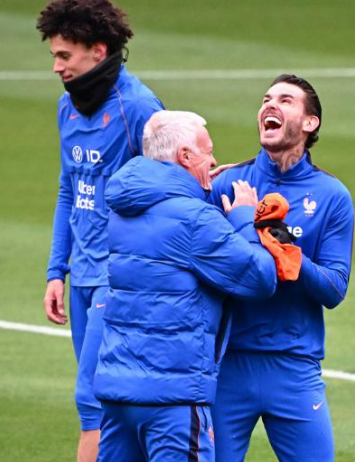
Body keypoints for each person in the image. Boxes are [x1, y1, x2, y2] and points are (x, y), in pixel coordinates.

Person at [93, 110, 278, 462]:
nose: (215, 161)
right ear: (185, 156)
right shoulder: (195, 218)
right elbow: (259, 278)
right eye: (208, 152)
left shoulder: (124, 207)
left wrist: (198, 192)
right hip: (172, 398)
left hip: (118, 392)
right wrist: (243, 217)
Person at [36, 1, 164, 459]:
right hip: (83, 278)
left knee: (91, 399)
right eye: (54, 55)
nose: (56, 67)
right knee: (110, 405)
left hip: (122, 276)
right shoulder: (67, 109)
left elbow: (169, 193)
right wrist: (57, 270)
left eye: (64, 55)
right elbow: (69, 190)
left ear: (98, 50)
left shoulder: (139, 108)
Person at [209, 75, 355, 462]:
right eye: (266, 99)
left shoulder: (332, 196)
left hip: (294, 367)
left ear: (310, 122)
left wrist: (288, 253)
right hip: (227, 366)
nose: (270, 105)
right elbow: (205, 270)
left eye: (286, 100)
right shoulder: (227, 185)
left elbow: (334, 289)